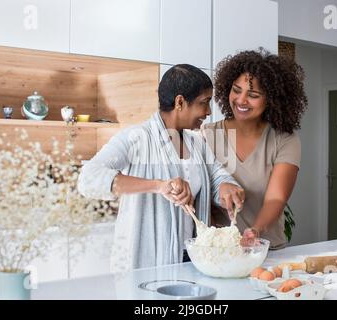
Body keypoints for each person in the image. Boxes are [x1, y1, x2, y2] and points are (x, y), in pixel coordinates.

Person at [77, 64, 245, 272]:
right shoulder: (136, 138)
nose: (208, 112)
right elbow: (88, 178)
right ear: (180, 102)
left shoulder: (197, 143)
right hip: (146, 260)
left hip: (193, 259)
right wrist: (159, 186)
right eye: (204, 103)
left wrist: (226, 187)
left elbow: (217, 175)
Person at [202, 49, 307, 249]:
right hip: (218, 252)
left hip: (266, 249)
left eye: (253, 95)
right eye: (236, 90)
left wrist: (255, 231)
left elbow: (276, 198)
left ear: (272, 99)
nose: (241, 100)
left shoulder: (284, 139)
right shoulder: (207, 135)